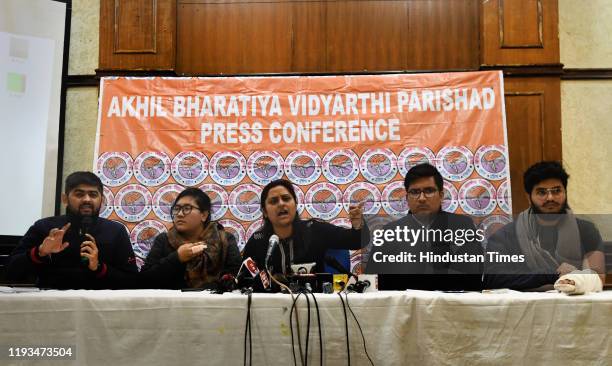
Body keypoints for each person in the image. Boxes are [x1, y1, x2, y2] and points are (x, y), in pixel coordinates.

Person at [484, 161, 605, 290]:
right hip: (525, 307)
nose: (550, 198)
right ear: (529, 197)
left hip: (575, 306)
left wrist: (575, 280)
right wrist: (550, 275)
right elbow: (493, 279)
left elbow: (597, 277)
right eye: (542, 192)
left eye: (557, 191)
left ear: (565, 192)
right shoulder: (505, 236)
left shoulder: (586, 230)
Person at [7, 171, 138, 289]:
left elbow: (132, 281)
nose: (87, 199)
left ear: (101, 200)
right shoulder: (44, 227)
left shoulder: (115, 231)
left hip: (99, 308)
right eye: (79, 194)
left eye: (93, 194)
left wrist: (98, 267)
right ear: (65, 199)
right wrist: (39, 252)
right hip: (50, 306)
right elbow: (10, 271)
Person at [370, 163, 484, 291]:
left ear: (441, 195)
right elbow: (376, 283)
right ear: (407, 198)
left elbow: (472, 276)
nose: (422, 198)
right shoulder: (389, 232)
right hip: (404, 307)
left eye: (429, 191)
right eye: (415, 192)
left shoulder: (462, 227)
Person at [242, 179, 365, 276]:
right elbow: (245, 277)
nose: (281, 203)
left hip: (315, 302)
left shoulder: (315, 230)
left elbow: (355, 241)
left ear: (295, 204)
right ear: (264, 212)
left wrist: (358, 224)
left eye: (286, 198)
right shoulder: (257, 241)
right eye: (273, 201)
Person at [141, 188, 241, 289]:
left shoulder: (225, 240)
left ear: (204, 215)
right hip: (172, 303)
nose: (180, 214)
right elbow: (144, 280)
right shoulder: (164, 240)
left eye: (187, 208)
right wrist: (176, 258)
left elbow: (237, 278)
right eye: (177, 209)